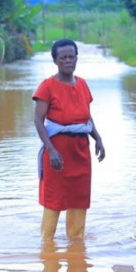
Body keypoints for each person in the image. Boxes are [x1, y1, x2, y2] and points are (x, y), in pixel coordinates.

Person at [33, 39, 106, 240]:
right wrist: (51, 150)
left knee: (79, 198)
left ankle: (76, 244)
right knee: (53, 198)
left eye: (71, 57)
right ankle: (47, 246)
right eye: (63, 57)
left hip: (80, 150)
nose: (68, 61)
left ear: (76, 58)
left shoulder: (82, 84)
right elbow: (38, 121)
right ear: (55, 60)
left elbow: (85, 115)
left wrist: (97, 138)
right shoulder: (47, 86)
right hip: (58, 151)